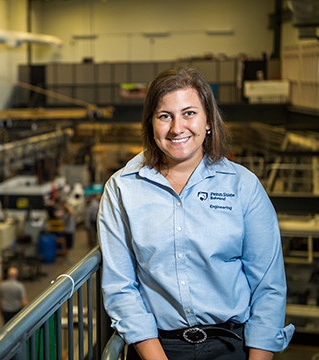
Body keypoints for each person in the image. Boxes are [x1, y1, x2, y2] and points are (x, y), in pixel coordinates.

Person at [98, 67, 294, 360]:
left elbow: (268, 286)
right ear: (151, 124)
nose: (177, 128)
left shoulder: (243, 186)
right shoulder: (122, 189)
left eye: (189, 113)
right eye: (165, 116)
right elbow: (120, 286)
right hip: (157, 349)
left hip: (232, 346)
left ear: (208, 122)